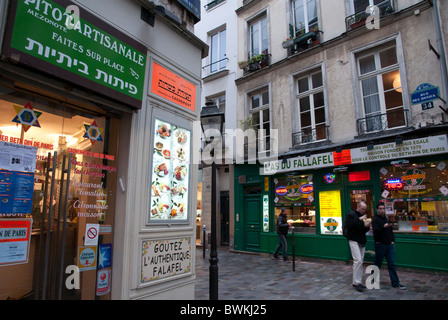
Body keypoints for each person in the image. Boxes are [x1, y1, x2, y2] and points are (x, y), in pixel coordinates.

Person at [372, 203, 406, 289]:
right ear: (377, 210)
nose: (382, 210)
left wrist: (392, 240)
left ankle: (395, 283)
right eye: (380, 208)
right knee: (378, 263)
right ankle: (372, 280)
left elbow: (390, 231)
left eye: (383, 208)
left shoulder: (386, 218)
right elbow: (376, 232)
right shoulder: (375, 219)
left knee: (392, 264)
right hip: (380, 245)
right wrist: (383, 227)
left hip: (389, 245)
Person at [345, 201, 371, 292]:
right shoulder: (351, 214)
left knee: (361, 261)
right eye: (362, 209)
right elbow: (350, 225)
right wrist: (360, 219)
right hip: (353, 239)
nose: (364, 211)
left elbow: (363, 229)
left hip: (361, 240)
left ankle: (359, 282)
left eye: (365, 209)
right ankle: (356, 282)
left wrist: (367, 226)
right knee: (358, 260)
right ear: (358, 207)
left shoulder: (363, 216)